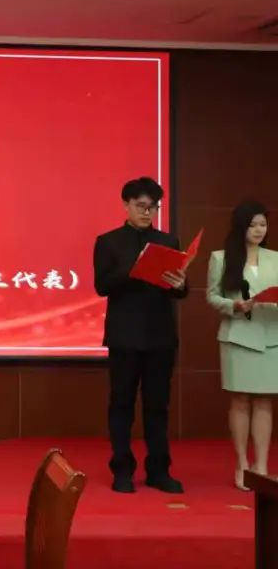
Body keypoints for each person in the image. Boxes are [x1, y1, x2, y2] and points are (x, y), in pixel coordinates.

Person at [93, 177, 188, 494]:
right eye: (141, 206)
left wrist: (180, 285)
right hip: (124, 336)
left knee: (158, 407)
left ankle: (158, 470)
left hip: (160, 336)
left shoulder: (168, 241)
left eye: (153, 207)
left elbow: (179, 290)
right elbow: (102, 286)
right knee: (121, 404)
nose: (147, 212)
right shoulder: (108, 242)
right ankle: (122, 470)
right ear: (126, 205)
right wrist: (134, 268)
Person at [205, 201, 277, 490]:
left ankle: (262, 466)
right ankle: (242, 464)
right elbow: (212, 296)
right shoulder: (221, 258)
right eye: (253, 225)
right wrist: (234, 305)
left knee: (264, 400)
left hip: (271, 336)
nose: (259, 230)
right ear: (240, 227)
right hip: (238, 335)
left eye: (263, 224)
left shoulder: (275, 258)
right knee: (240, 400)